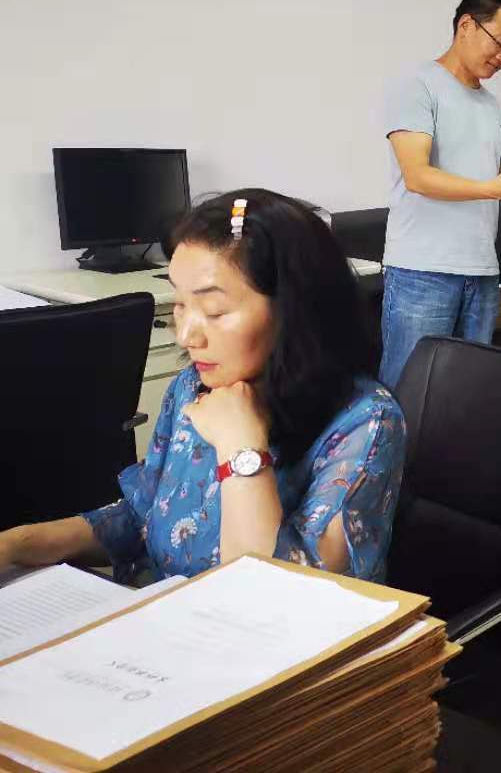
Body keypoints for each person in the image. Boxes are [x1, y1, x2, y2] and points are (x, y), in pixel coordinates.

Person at [0, 190, 406, 583]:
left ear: (295, 309)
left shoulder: (366, 422)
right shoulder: (191, 388)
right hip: (164, 615)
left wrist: (241, 448)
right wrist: (17, 544)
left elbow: (281, 595)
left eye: (214, 311)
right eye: (180, 304)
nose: (186, 336)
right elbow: (142, 516)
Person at [378, 0, 501, 390]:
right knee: (409, 392)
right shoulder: (417, 84)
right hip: (422, 271)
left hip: (482, 273)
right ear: (466, 25)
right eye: (500, 44)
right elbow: (417, 175)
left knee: (464, 396)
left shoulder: (495, 108)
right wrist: (495, 189)